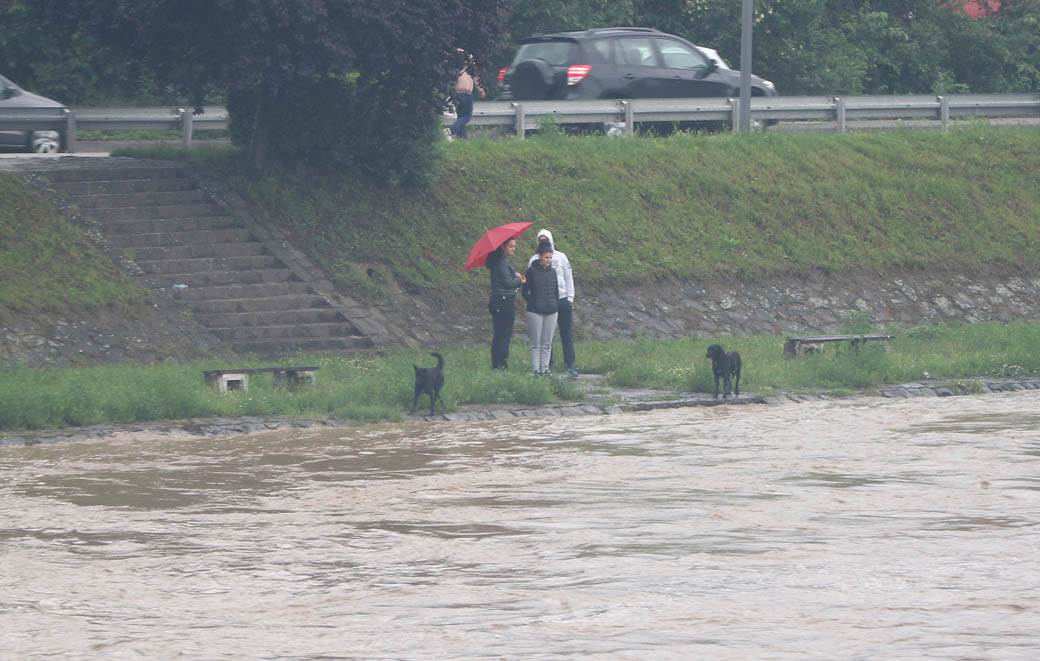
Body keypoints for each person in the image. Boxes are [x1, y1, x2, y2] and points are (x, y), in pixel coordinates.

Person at [527, 229, 578, 377]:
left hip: (562, 299)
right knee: (546, 336)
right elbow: (529, 283)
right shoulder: (533, 260)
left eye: (546, 239)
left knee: (566, 333)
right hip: (544, 302)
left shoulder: (561, 257)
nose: (543, 241)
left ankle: (570, 364)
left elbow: (568, 277)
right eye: (540, 239)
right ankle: (547, 365)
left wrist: (570, 298)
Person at [486, 238, 525, 369]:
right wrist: (519, 279)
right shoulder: (502, 262)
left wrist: (514, 276)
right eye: (511, 246)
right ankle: (500, 364)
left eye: (514, 246)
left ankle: (498, 363)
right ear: (503, 247)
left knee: (500, 333)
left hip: (499, 300)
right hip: (503, 301)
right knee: (503, 334)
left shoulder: (500, 261)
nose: (514, 248)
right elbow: (508, 283)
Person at [522, 241, 559, 375]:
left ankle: (545, 368)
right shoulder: (531, 272)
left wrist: (555, 303)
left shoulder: (553, 272)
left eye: (550, 258)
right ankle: (536, 369)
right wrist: (533, 303)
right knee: (536, 342)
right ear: (540, 256)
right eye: (546, 257)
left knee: (547, 342)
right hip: (535, 311)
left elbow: (556, 291)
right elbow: (524, 291)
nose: (548, 260)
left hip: (551, 311)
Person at [449, 51, 486, 139]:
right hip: (466, 94)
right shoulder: (470, 70)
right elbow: (477, 81)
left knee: (460, 117)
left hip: (456, 95)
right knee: (466, 117)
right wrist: (481, 91)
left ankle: (462, 138)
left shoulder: (455, 69)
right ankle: (451, 130)